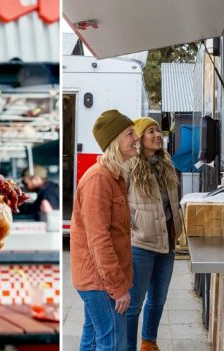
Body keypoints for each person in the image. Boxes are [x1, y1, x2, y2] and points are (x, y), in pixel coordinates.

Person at [70, 109, 139, 351]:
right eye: (129, 133)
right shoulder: (98, 179)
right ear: (114, 141)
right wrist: (118, 289)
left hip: (101, 280)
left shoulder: (114, 176)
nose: (136, 138)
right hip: (100, 282)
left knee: (92, 340)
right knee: (112, 344)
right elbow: (99, 240)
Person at [124, 117, 181, 351]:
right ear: (139, 138)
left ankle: (148, 342)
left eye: (158, 130)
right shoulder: (129, 166)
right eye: (150, 131)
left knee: (158, 299)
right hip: (140, 243)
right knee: (134, 304)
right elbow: (118, 203)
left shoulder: (166, 164)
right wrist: (131, 226)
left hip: (167, 241)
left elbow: (171, 203)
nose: (158, 135)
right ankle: (127, 347)